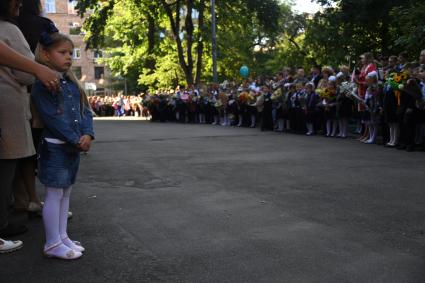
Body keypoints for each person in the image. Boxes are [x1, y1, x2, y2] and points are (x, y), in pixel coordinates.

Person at [31, 31, 94, 259]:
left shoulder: (72, 82)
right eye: (62, 52)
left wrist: (88, 133)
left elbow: (85, 110)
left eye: (70, 53)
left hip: (71, 146)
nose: (69, 57)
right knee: (54, 194)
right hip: (56, 147)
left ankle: (62, 237)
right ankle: (51, 243)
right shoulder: (44, 84)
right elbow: (51, 117)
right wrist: (75, 138)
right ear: (46, 55)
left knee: (65, 194)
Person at [0, 0, 39, 254]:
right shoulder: (9, 30)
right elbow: (26, 74)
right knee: (6, 166)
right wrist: (39, 70)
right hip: (8, 105)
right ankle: (3, 222)